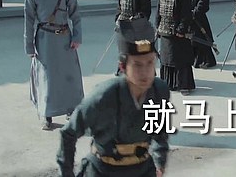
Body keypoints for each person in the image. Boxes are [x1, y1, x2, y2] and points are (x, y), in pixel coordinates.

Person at [57, 22, 170, 177]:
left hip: (142, 168)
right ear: (123, 67)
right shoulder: (104, 95)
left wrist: (159, 163)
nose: (145, 72)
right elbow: (68, 133)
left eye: (150, 63)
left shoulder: (159, 91)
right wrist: (66, 173)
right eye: (137, 65)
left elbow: (160, 134)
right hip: (104, 169)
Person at [24, 0, 84, 131]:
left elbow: (75, 14)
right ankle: (46, 114)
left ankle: (72, 110)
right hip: (45, 40)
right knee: (46, 77)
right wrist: (29, 46)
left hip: (65, 38)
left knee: (69, 75)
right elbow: (28, 22)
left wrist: (77, 37)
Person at [154, 0, 196, 95]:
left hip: (178, 32)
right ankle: (168, 83)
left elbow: (186, 12)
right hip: (165, 29)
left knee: (180, 59)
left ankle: (183, 84)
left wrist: (181, 29)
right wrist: (157, 26)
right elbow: (159, 9)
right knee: (166, 58)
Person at [183, 0, 217, 69]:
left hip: (198, 17)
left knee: (202, 39)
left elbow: (203, 1)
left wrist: (195, 12)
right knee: (190, 40)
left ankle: (208, 60)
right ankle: (194, 59)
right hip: (188, 16)